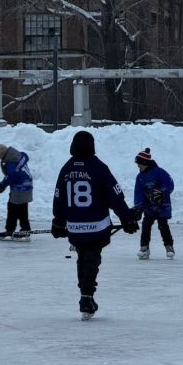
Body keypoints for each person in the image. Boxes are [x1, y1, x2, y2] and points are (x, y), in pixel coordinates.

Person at [52, 130, 139, 319]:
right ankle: (86, 296)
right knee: (92, 258)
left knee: (82, 258)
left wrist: (58, 222)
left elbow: (58, 197)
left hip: (74, 227)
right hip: (96, 226)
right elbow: (115, 197)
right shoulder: (98, 168)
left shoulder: (66, 169)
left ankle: (85, 293)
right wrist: (127, 219)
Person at [133, 148, 175, 259]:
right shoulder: (140, 177)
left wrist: (162, 192)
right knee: (146, 226)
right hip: (149, 208)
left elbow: (170, 184)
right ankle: (144, 247)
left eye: (139, 164)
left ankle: (169, 246)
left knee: (163, 226)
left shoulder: (159, 172)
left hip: (162, 206)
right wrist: (138, 207)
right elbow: (139, 193)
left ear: (145, 163)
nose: (138, 166)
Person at [0, 144, 34, 241]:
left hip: (20, 188)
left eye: (0, 157)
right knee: (21, 208)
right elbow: (26, 156)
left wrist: (1, 186)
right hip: (27, 185)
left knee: (13, 208)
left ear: (3, 155)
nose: (1, 160)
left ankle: (12, 230)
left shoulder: (11, 164)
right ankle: (24, 229)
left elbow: (10, 176)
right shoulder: (19, 155)